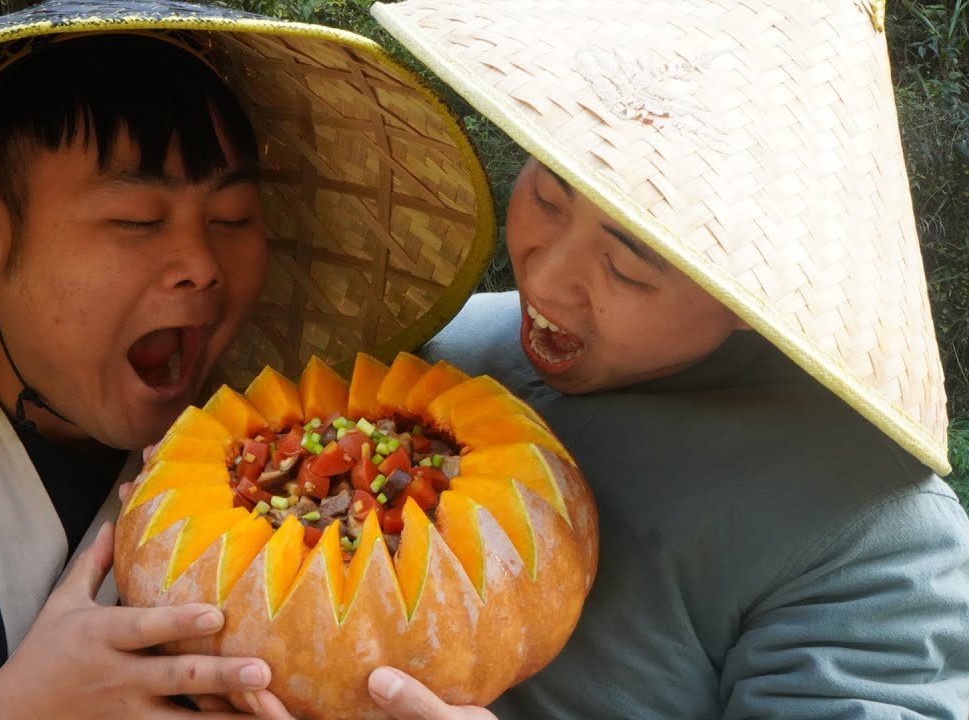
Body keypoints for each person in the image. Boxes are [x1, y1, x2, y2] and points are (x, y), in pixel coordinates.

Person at [0, 2, 495, 718]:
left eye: (233, 215)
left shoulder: (287, 469)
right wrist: (3, 711)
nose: (202, 264)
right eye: (139, 219)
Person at [352, 0, 969, 718]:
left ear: (751, 296)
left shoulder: (873, 533)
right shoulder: (435, 352)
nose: (544, 281)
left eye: (627, 269)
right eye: (547, 199)